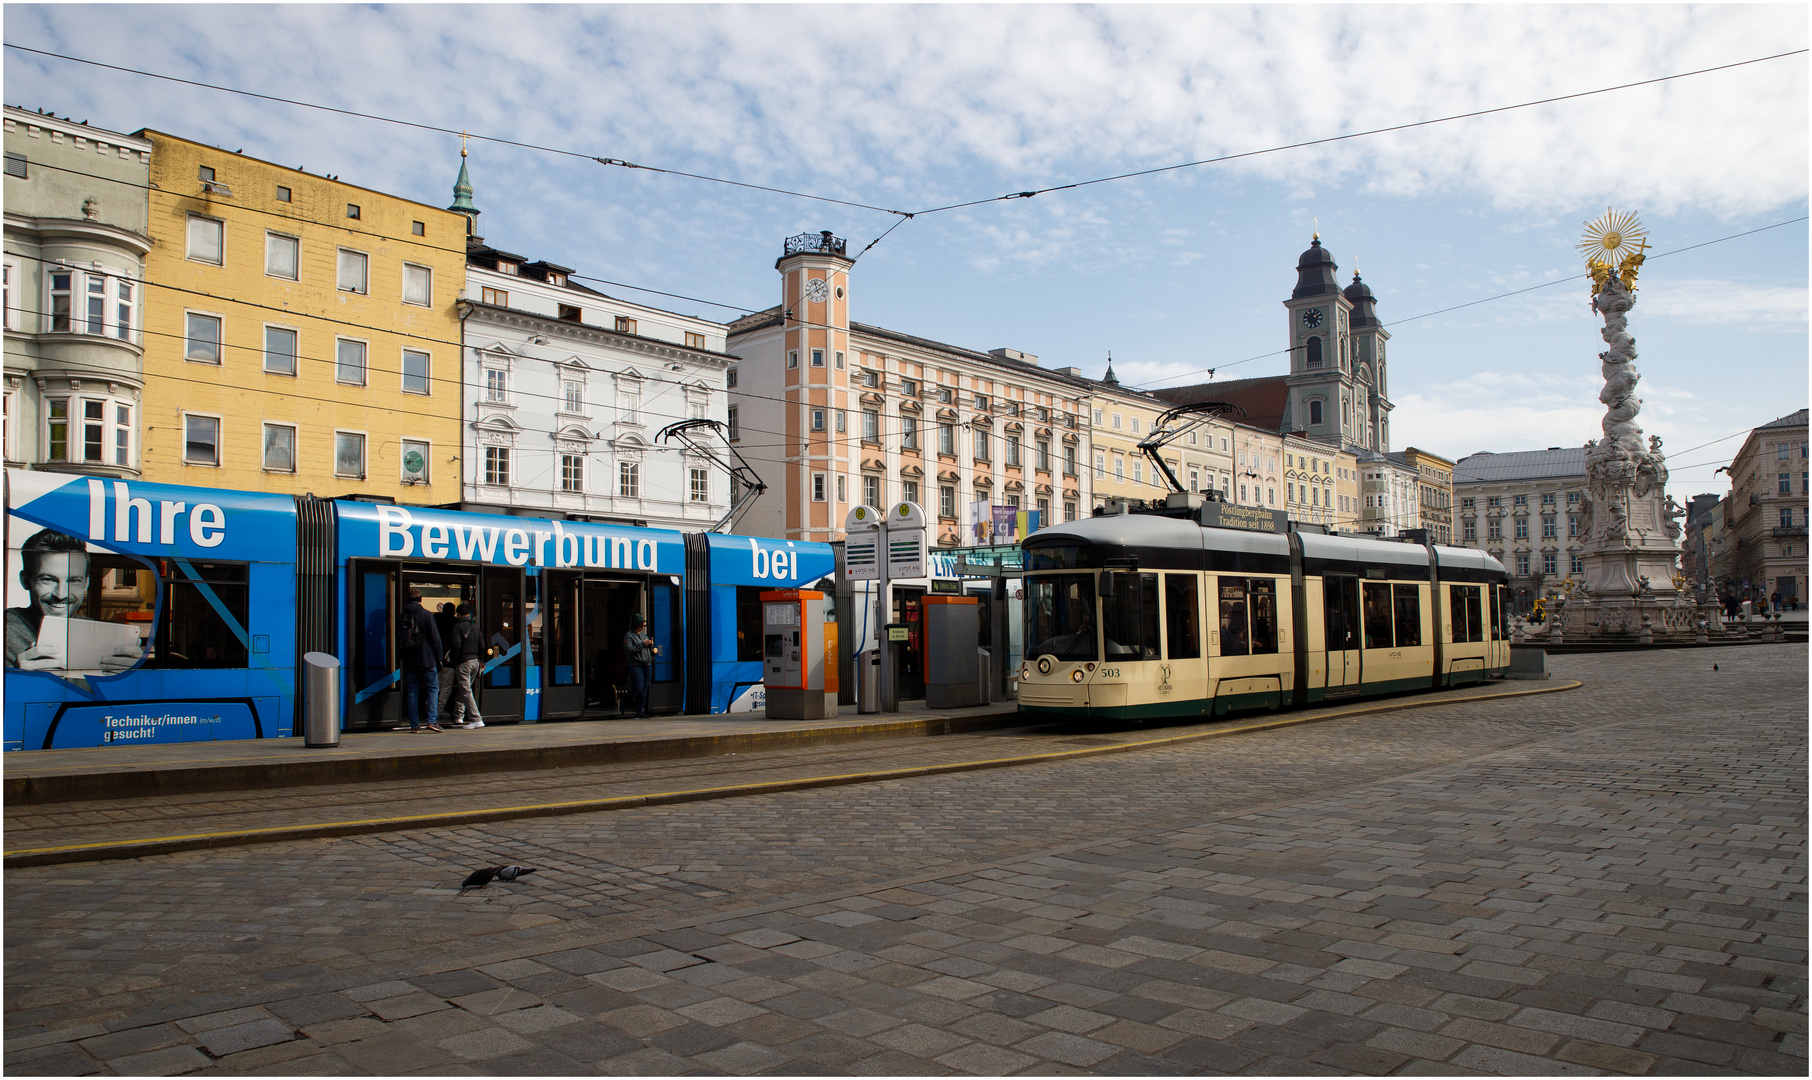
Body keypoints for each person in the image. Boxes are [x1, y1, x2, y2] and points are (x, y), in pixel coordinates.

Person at [6, 528, 142, 672]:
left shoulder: (96, 632)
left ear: (86, 583)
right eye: (48, 579)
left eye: (74, 581)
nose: (61, 594)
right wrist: (17, 680)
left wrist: (127, 677)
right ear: (25, 580)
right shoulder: (6, 629)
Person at [397, 588, 443, 732]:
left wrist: (402, 657)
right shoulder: (426, 615)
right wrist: (439, 657)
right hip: (427, 658)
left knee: (412, 691)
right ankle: (431, 721)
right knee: (432, 688)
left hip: (409, 660)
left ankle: (414, 725)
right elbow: (435, 638)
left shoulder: (402, 616)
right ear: (420, 599)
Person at [445, 602, 485, 729]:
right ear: (469, 614)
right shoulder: (475, 628)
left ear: (457, 614)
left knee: (466, 690)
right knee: (464, 688)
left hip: (463, 662)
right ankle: (458, 716)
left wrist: (454, 659)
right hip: (475, 662)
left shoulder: (456, 627)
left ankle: (476, 718)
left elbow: (456, 645)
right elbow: (482, 646)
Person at [622, 613, 658, 718]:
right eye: (641, 625)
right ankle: (623, 701)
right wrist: (642, 644)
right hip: (635, 665)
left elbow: (649, 650)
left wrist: (650, 645)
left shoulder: (643, 635)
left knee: (644, 689)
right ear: (636, 625)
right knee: (638, 688)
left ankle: (639, 712)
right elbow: (629, 650)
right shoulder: (628, 636)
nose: (642, 628)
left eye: (644, 626)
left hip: (647, 664)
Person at [434, 602, 458, 722]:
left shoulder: (435, 620)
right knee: (446, 686)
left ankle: (430, 706)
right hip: (449, 660)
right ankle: (438, 709)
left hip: (435, 659)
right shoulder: (455, 623)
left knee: (436, 685)